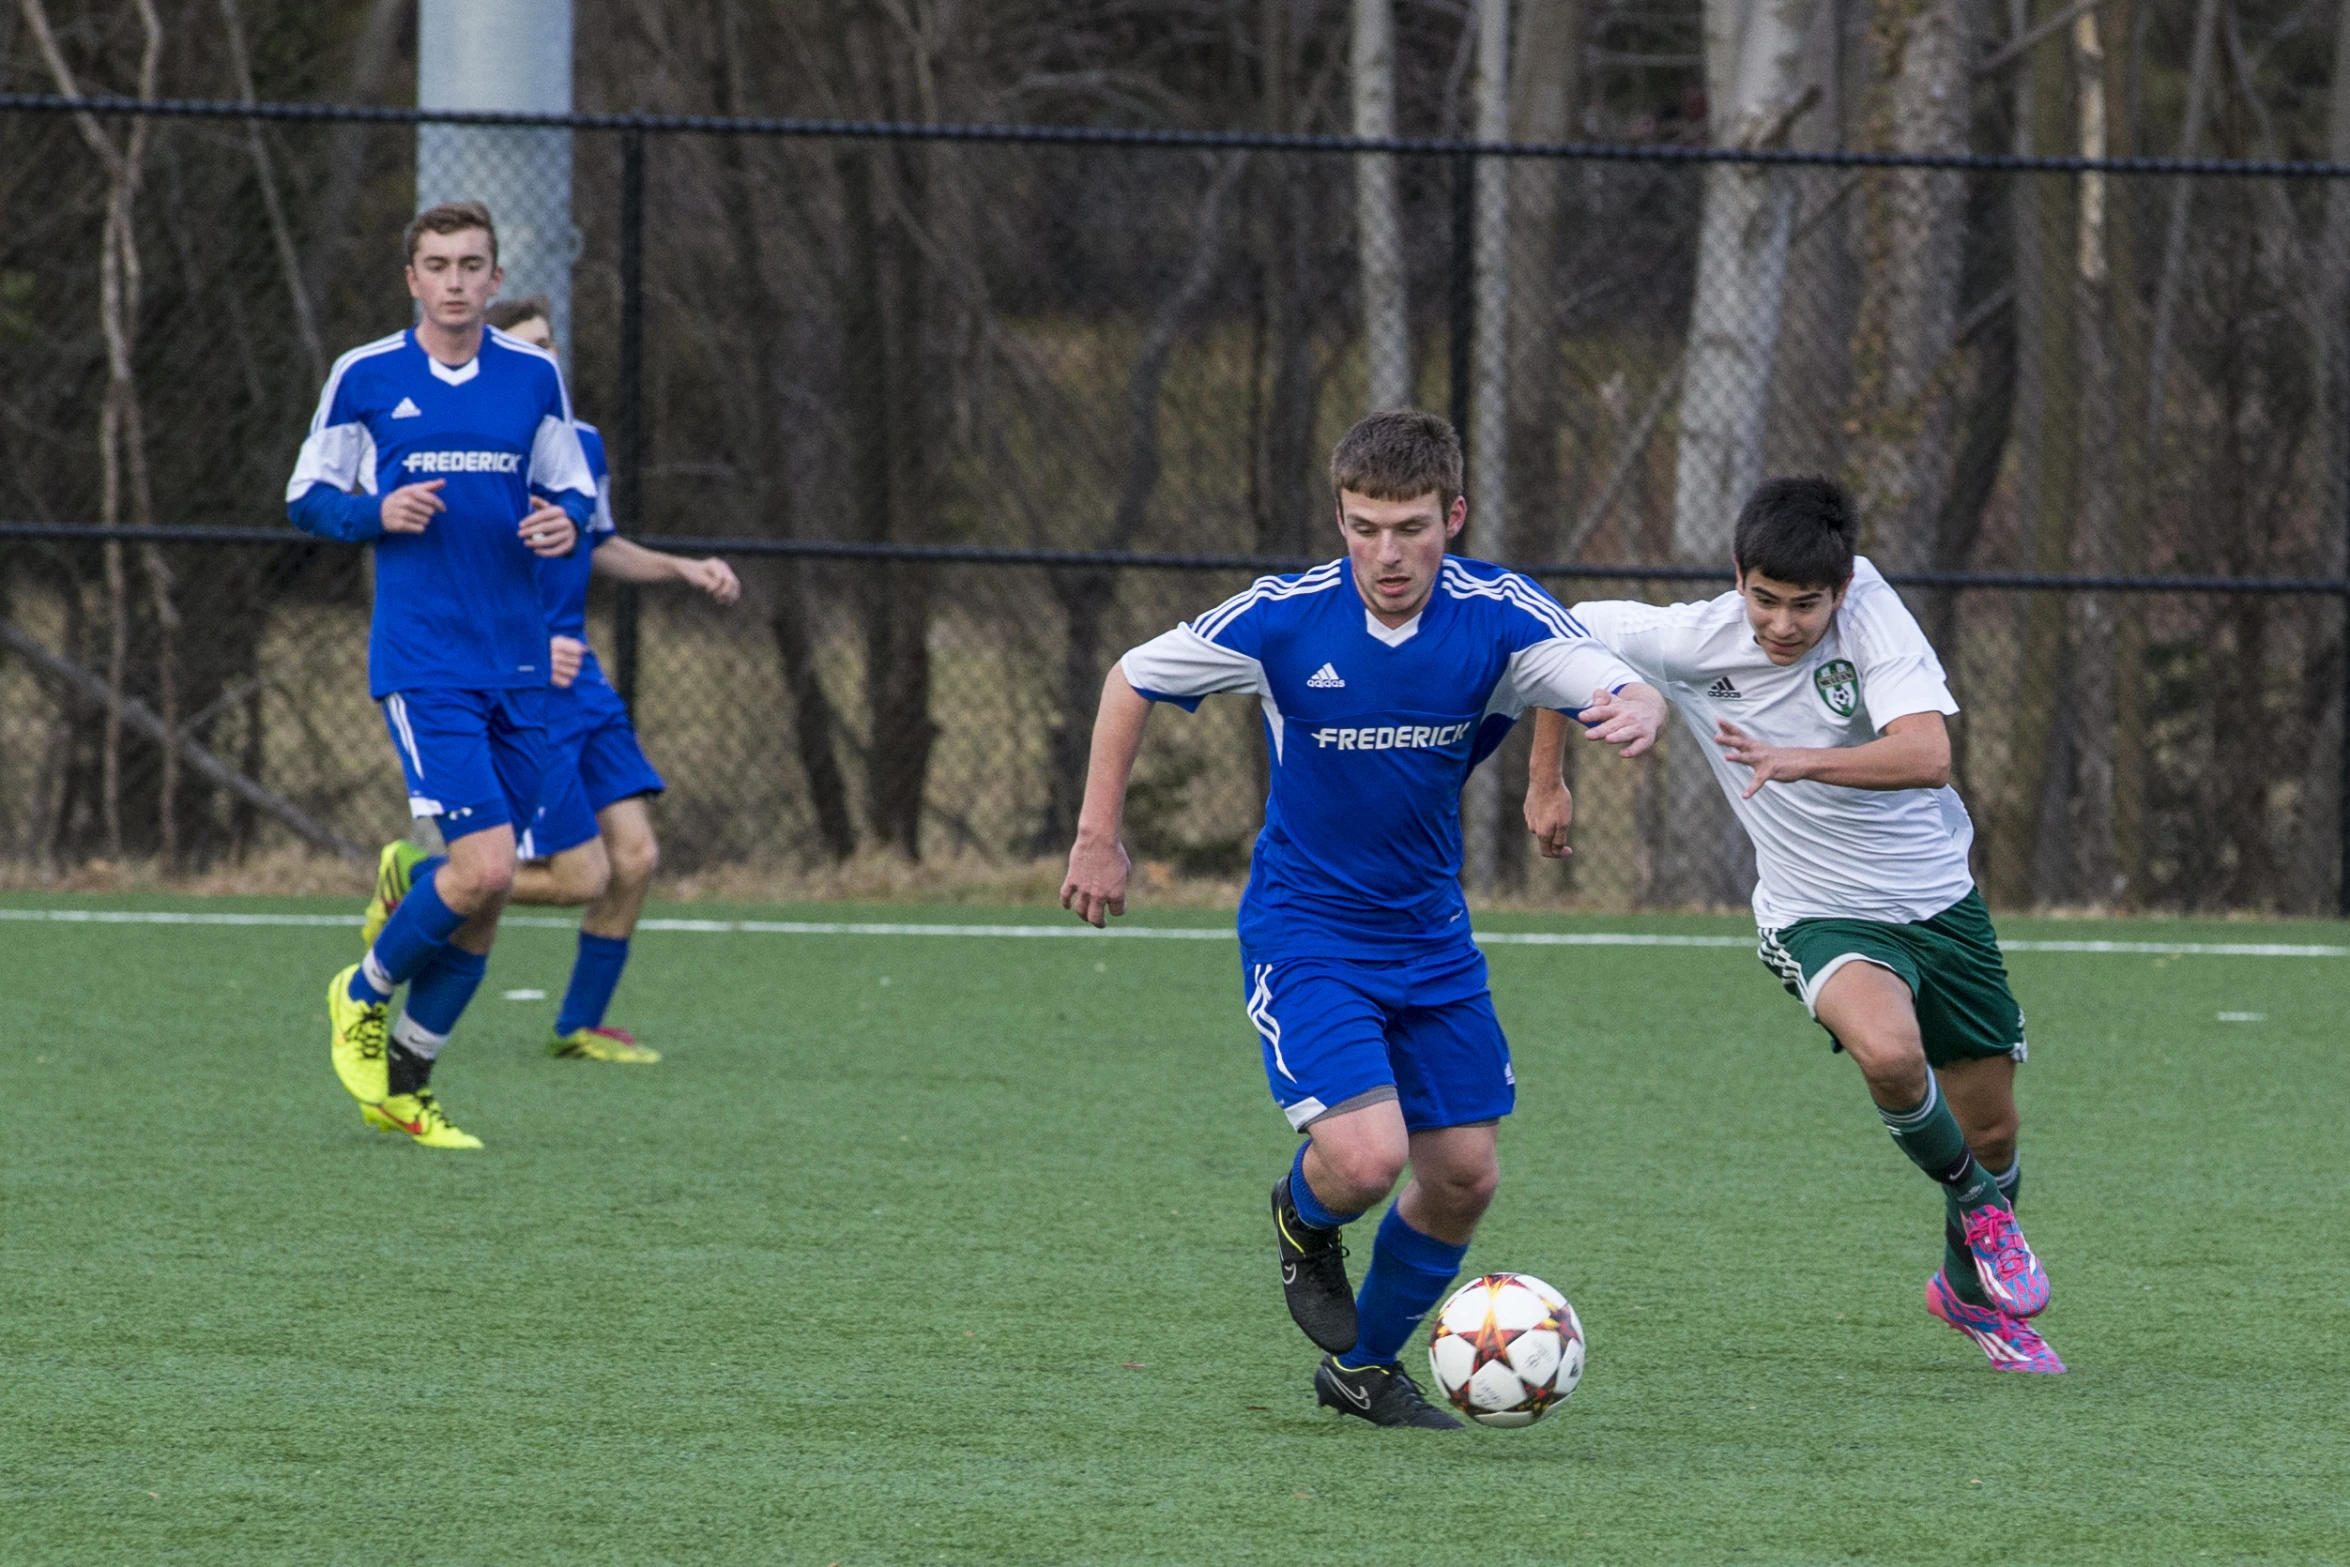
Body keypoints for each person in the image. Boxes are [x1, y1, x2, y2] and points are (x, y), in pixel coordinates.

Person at [1060, 410, 1667, 1426]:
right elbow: (1131, 676)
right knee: (1367, 1158)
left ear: (1454, 516)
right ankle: (1303, 1223)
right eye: (1364, 526)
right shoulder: (1283, 619)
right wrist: (1094, 835)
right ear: (1340, 516)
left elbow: (1576, 669)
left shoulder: (1496, 610)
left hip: (1429, 933)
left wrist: (1631, 704)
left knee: (1464, 1174)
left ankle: (1362, 1368)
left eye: (1413, 527)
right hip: (1307, 929)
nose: (1387, 553)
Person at [1522, 476, 2061, 1373]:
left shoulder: (1873, 616)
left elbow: (1929, 755)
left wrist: (1798, 759)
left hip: (1941, 904)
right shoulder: (1695, 639)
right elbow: (1553, 636)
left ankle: (1969, 1292)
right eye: (1763, 598)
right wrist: (1547, 781)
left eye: (1804, 605)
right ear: (1738, 574)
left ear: (1840, 589)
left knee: (1996, 1130)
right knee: (1892, 1055)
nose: (1779, 623)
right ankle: (1977, 1205)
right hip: (1816, 911)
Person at [363, 296, 741, 1064]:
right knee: (577, 874)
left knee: (635, 860)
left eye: (549, 344)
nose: (543, 357)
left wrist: (680, 568)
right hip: (526, 680)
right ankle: (428, 878)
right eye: (525, 343)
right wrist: (536, 641)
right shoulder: (471, 442)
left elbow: (595, 541)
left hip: (584, 681)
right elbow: (468, 570)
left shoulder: (580, 444)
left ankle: (579, 1024)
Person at [289, 201, 594, 1149]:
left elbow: (573, 487)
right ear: (411, 279)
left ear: (495, 281)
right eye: (438, 265)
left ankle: (407, 1084)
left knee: (489, 889)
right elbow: (307, 497)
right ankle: (362, 990)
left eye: (472, 265)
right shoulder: (367, 375)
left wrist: (564, 522)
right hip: (426, 663)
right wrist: (377, 511)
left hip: (518, 657)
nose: (456, 281)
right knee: (490, 864)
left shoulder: (533, 377)